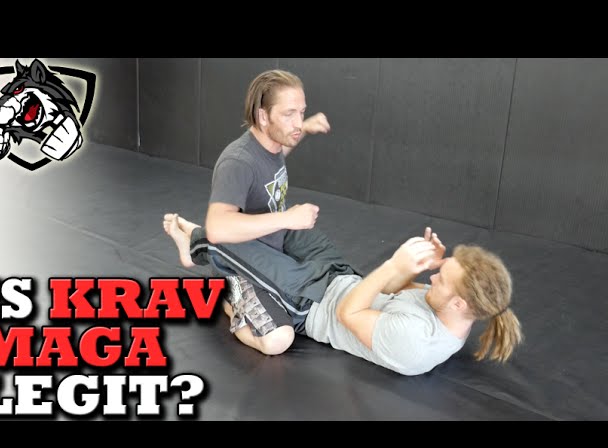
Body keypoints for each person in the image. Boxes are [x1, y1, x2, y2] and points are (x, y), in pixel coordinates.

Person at [162, 213, 523, 376]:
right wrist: (412, 267)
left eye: (441, 278)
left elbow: (347, 314)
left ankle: (196, 247)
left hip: (309, 302)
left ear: (460, 303)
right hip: (336, 273)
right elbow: (393, 289)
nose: (433, 277)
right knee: (282, 220)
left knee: (226, 242)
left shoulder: (416, 343)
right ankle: (228, 260)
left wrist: (391, 264)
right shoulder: (451, 309)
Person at [197, 69, 338, 355]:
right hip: (244, 264)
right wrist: (288, 218)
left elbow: (277, 154)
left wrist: (305, 127)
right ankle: (228, 296)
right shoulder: (238, 162)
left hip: (273, 249)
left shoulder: (271, 144)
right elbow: (216, 228)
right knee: (278, 340)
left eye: (301, 112)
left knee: (333, 275)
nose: (297, 122)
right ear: (263, 116)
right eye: (289, 114)